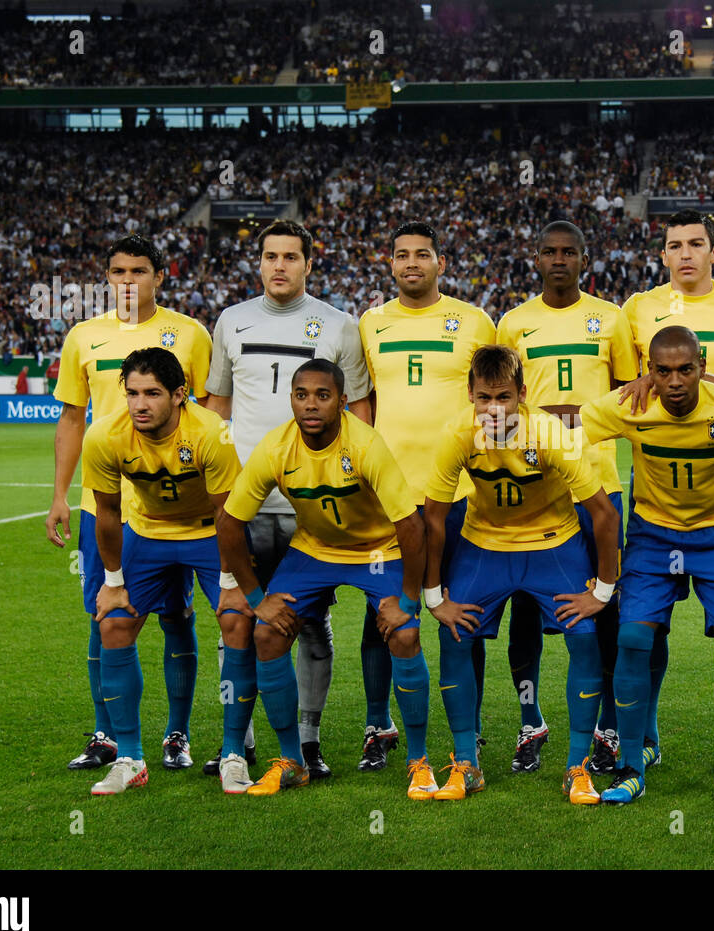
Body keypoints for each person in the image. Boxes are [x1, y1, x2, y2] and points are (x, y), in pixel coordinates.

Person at [578, 326, 714, 806]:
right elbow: (570, 426)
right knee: (632, 639)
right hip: (653, 537)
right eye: (662, 371)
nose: (673, 381)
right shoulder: (629, 406)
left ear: (702, 368)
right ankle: (631, 764)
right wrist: (496, 422)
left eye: (685, 370)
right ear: (648, 372)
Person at [202, 219, 372, 779]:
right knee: (237, 620)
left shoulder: (340, 326)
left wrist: (351, 488)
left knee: (309, 622)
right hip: (245, 504)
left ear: (308, 263)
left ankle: (308, 739)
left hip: (309, 506)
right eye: (271, 256)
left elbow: (360, 415)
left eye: (290, 257)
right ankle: (240, 740)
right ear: (260, 263)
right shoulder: (231, 320)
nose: (280, 266)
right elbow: (216, 409)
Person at [215, 359, 429, 797]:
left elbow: (410, 524)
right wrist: (256, 598)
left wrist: (409, 600)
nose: (311, 405)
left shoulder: (366, 445)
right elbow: (228, 522)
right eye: (301, 395)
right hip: (314, 549)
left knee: (404, 635)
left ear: (343, 401)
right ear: (291, 399)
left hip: (377, 550)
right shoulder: (276, 448)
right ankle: (293, 761)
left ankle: (419, 762)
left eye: (322, 395)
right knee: (268, 634)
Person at [423, 345, 620, 802]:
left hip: (553, 542)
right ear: (469, 394)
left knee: (584, 634)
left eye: (504, 398)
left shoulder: (550, 433)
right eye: (484, 398)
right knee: (456, 635)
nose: (494, 410)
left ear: (524, 395)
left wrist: (603, 592)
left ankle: (577, 766)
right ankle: (465, 765)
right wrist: (435, 597)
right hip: (484, 544)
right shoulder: (457, 433)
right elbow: (433, 518)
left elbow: (604, 514)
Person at [47, 233, 213, 772]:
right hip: (106, 506)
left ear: (159, 277)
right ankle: (107, 735)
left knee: (177, 617)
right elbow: (72, 419)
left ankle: (177, 735)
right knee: (105, 614)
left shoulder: (188, 334)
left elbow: (205, 415)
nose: (126, 281)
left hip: (172, 510)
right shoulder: (83, 336)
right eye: (117, 271)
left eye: (138, 271)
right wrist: (59, 496)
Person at [617, 208, 714, 772]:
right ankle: (646, 733)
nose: (685, 253)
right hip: (657, 469)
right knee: (646, 620)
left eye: (696, 243)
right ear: (662, 254)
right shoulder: (639, 309)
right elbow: (628, 387)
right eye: (675, 244)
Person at [495, 220, 639, 775]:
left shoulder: (612, 318)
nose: (559, 260)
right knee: (526, 606)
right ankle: (531, 721)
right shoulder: (514, 323)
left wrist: (583, 416)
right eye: (549, 252)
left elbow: (631, 395)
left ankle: (604, 728)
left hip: (599, 482)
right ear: (536, 258)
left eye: (569, 252)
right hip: (532, 487)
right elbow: (502, 403)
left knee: (604, 605)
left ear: (584, 259)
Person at [357, 221, 495, 771]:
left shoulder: (474, 321)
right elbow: (361, 400)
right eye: (401, 255)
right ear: (390, 264)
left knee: (462, 615)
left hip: (460, 493)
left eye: (422, 254)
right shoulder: (370, 323)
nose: (411, 263)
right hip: (387, 497)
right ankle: (377, 724)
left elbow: (495, 399)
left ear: (441, 262)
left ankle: (473, 727)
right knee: (384, 615)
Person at [80, 348, 244, 795]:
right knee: (113, 625)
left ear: (180, 395)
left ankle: (233, 753)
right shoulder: (104, 436)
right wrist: (113, 583)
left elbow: (229, 513)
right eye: (132, 393)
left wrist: (230, 582)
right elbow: (108, 513)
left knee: (237, 621)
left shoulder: (212, 432)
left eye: (152, 393)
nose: (139, 404)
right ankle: (131, 758)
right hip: (148, 533)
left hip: (208, 532)